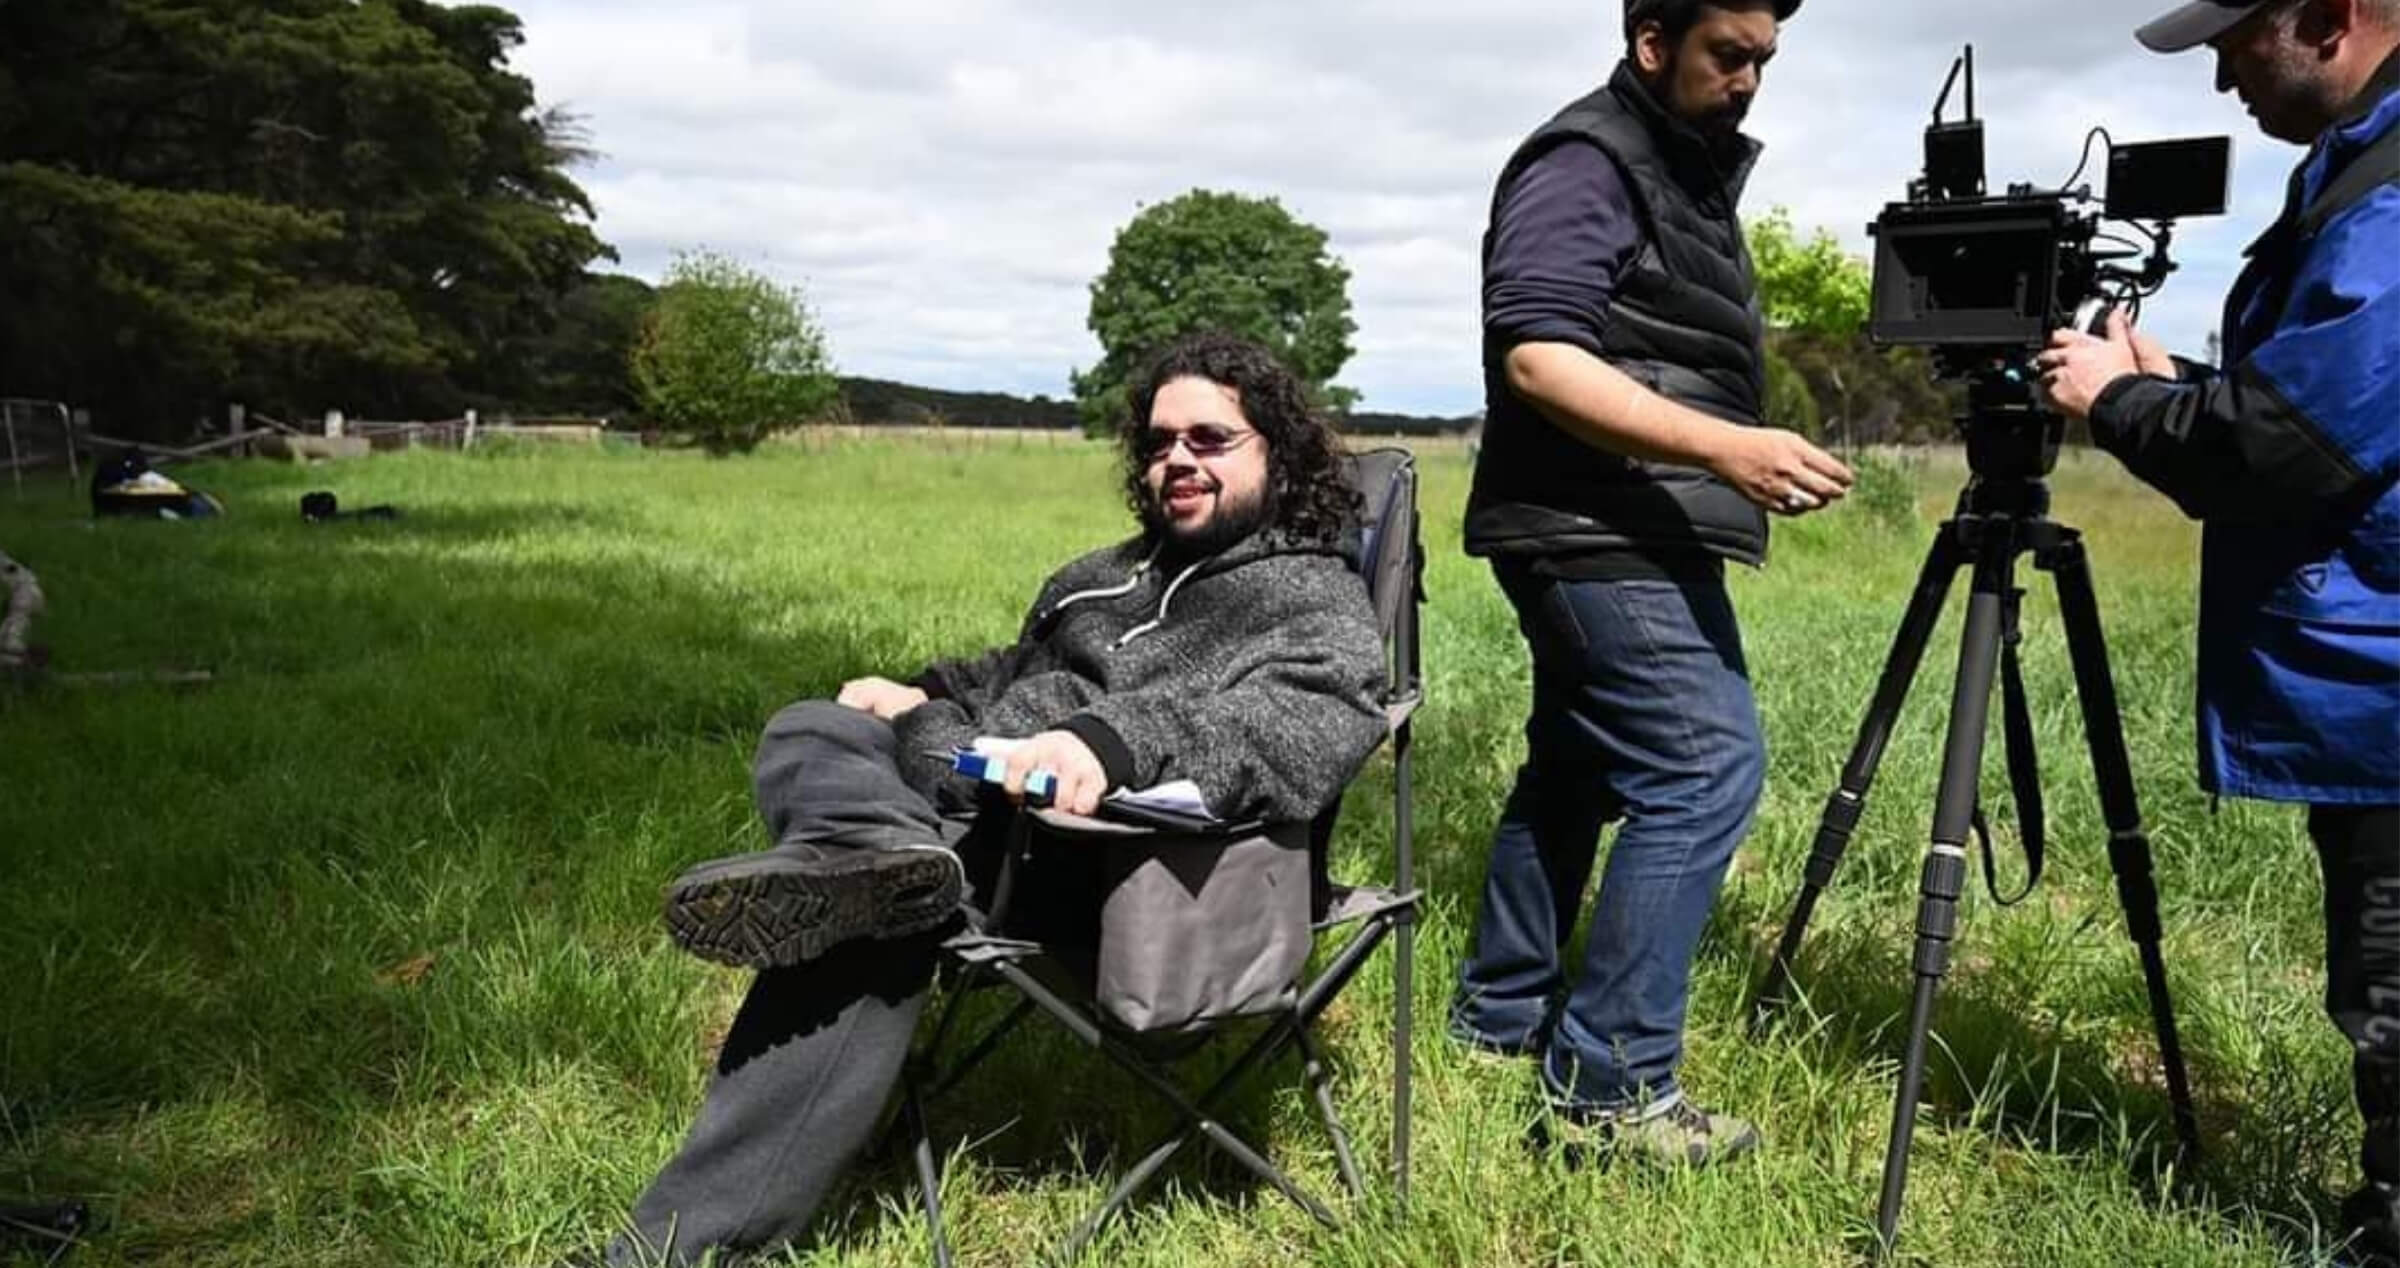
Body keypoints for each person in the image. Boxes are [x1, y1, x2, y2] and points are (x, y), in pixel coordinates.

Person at [597, 332, 1387, 1266]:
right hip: (965, 795)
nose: (1176, 458)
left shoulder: (1310, 597)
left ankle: (673, 1252)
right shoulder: (1106, 574)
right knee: (814, 726)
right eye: (1160, 441)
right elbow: (1017, 672)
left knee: (869, 916)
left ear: (1278, 454)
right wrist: (925, 691)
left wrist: (1108, 744)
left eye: (1209, 439)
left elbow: (1300, 724)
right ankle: (878, 858)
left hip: (1093, 854)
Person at [1451, 0, 1852, 1167]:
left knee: (1575, 768)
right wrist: (1725, 444)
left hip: (1624, 520)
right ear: (1651, 41)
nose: (1749, 80)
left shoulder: (1675, 171)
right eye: (1730, 53)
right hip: (1592, 525)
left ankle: (1499, 1015)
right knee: (1702, 764)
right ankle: (1609, 1093)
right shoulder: (1588, 159)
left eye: (1765, 60)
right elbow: (1537, 351)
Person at [2039, 1, 2400, 1260]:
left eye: (2234, 42)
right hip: (2367, 666)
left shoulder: (2393, 194)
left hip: (2386, 678)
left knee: (2398, 980)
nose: (2221, 76)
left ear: (2330, 16)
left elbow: (2291, 448)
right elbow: (2314, 402)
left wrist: (2123, 401)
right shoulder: (2358, 169)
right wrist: (2172, 384)